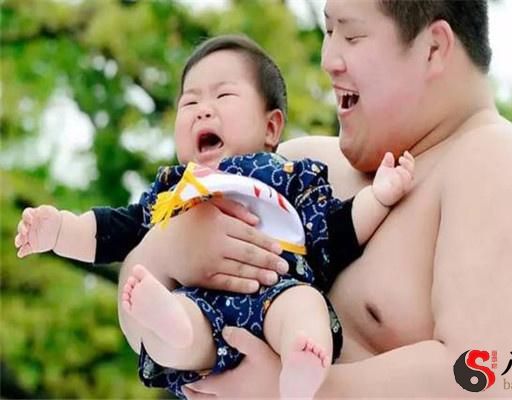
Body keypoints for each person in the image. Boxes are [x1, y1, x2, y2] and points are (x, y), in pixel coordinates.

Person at [118, 0, 512, 398]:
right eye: (328, 31)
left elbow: (484, 379)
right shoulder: (298, 166)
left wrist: (299, 390)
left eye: (351, 36)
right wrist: (170, 250)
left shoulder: (501, 166)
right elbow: (140, 325)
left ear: (433, 48)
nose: (328, 60)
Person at [14, 34, 415, 399]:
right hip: (199, 308)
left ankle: (301, 362)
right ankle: (168, 322)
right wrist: (61, 231)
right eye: (190, 102)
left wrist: (378, 197)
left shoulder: (288, 174)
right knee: (178, 333)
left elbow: (335, 229)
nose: (203, 111)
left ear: (271, 126)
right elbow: (115, 231)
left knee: (305, 305)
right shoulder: (175, 189)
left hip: (278, 289)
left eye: (223, 96)